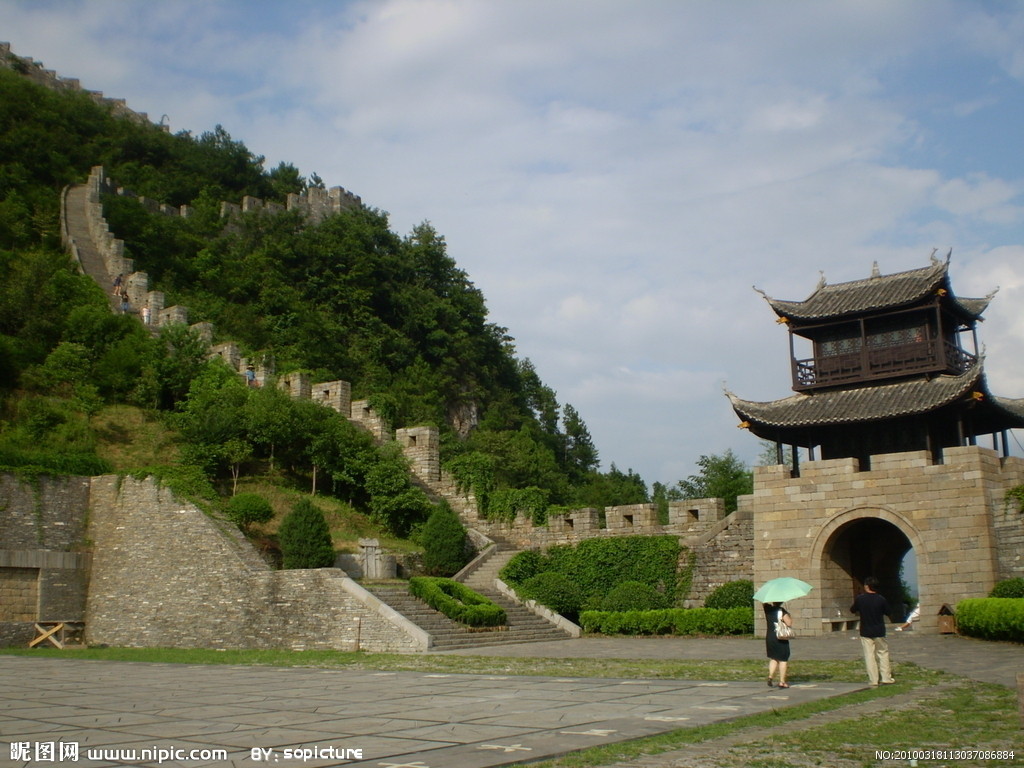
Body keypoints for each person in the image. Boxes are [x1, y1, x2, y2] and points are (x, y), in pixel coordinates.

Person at [850, 576, 896, 685]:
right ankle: (886, 677)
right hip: (879, 630)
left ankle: (873, 679)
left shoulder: (860, 599)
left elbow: (852, 610)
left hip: (865, 630)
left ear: (866, 586)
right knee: (883, 653)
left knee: (869, 655)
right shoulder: (881, 599)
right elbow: (888, 611)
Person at [764, 601, 792, 688]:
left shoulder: (767, 609)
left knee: (774, 658)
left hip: (770, 636)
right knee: (783, 659)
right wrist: (788, 615)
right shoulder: (781, 611)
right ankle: (782, 681)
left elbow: (764, 603)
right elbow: (789, 623)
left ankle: (770, 676)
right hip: (780, 637)